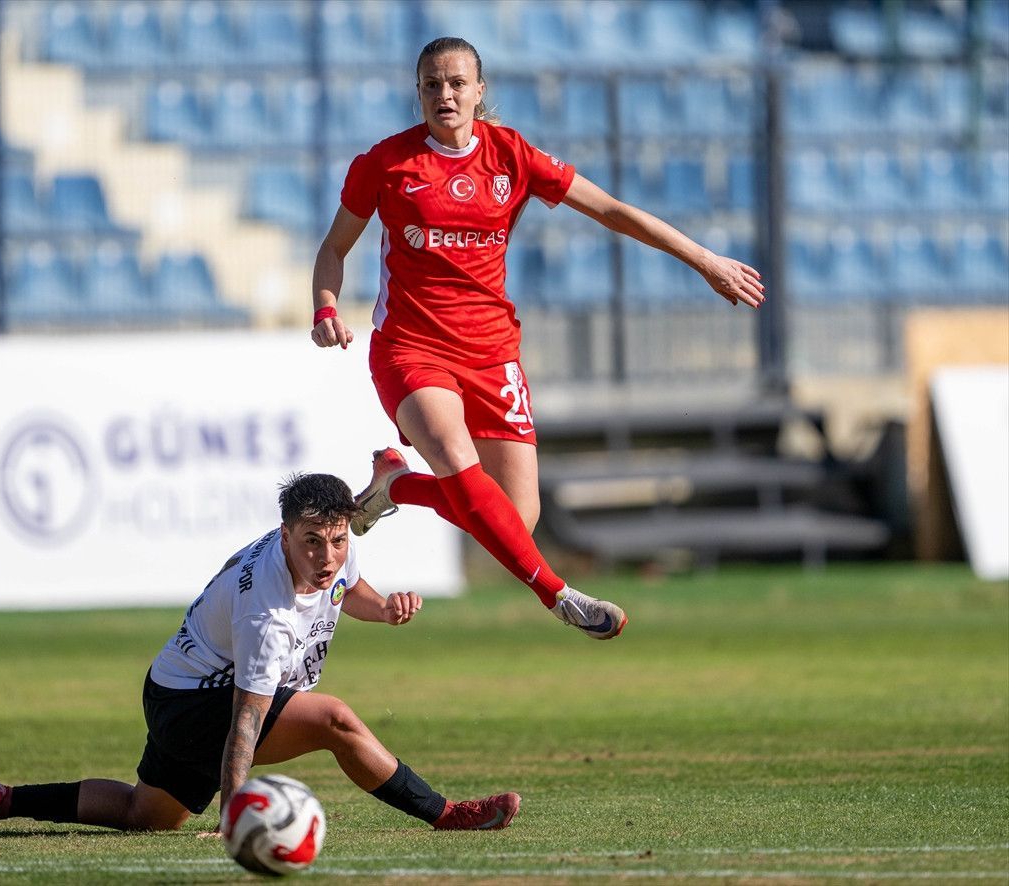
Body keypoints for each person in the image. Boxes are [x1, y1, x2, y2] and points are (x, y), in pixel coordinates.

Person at [311, 37, 765, 640]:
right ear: (417, 92)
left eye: (457, 83)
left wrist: (704, 259)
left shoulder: (511, 155)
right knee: (456, 459)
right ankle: (560, 596)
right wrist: (325, 305)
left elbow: (610, 210)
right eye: (431, 84)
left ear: (479, 90)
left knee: (513, 522)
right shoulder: (385, 164)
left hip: (493, 353)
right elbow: (333, 248)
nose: (445, 95)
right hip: (412, 349)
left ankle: (398, 485)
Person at [0, 473, 519, 835]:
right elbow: (245, 721)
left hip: (171, 683)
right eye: (312, 542)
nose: (327, 556)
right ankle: (446, 813)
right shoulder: (266, 611)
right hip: (192, 703)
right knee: (336, 721)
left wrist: (385, 608)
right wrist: (234, 814)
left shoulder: (333, 547)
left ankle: (0, 800)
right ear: (285, 535)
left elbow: (347, 586)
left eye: (338, 541)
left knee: (146, 815)